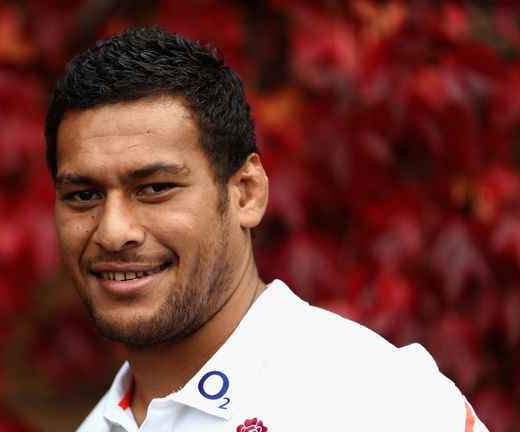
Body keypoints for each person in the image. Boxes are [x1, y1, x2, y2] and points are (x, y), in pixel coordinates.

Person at [45, 28, 488, 432]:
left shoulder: (375, 401)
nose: (113, 231)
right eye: (83, 195)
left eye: (155, 188)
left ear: (246, 193)